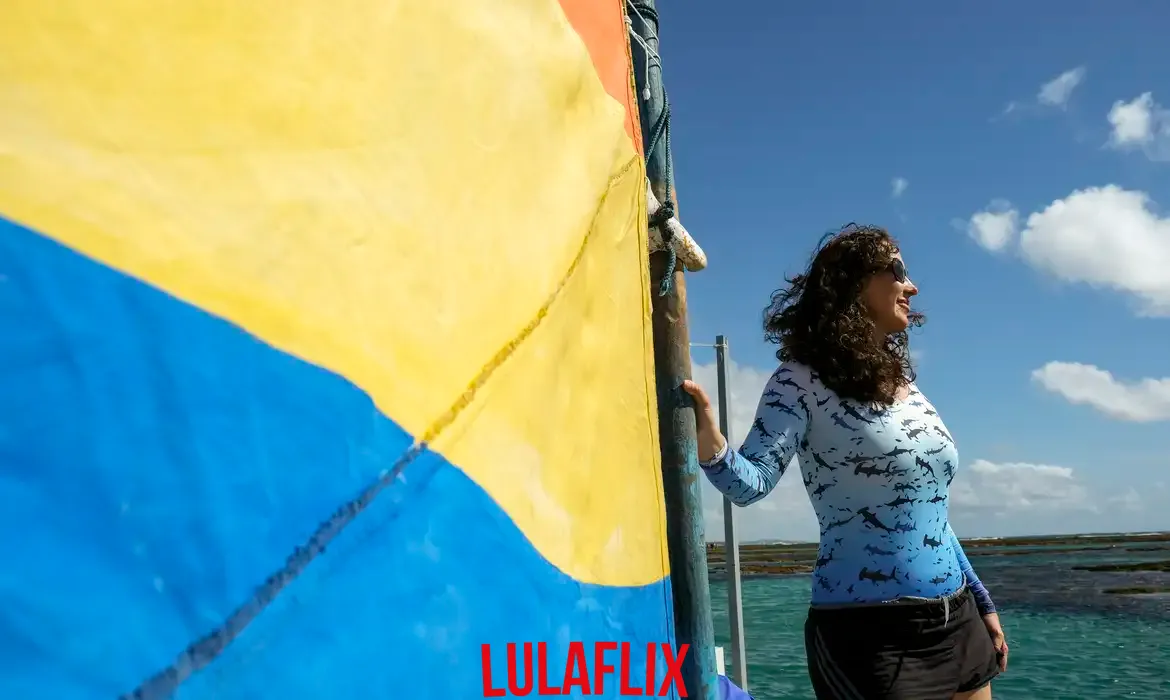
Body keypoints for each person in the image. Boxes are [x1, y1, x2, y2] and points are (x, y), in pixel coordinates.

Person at [684, 224, 1008, 700]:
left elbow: (930, 514)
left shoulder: (910, 391)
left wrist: (982, 601)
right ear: (853, 283)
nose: (911, 286)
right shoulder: (798, 381)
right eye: (897, 269)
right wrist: (710, 441)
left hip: (958, 620)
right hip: (870, 635)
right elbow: (749, 484)